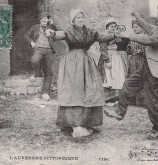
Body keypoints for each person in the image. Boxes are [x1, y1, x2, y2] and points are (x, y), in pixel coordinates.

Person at [104, 4, 158, 139]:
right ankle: (120, 112)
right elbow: (148, 28)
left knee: (152, 99)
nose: (157, 16)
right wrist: (137, 16)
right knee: (128, 84)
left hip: (155, 69)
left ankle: (157, 128)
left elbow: (151, 40)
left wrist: (128, 35)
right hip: (146, 65)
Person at [45, 9, 114, 137]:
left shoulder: (91, 32)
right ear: (73, 20)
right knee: (74, 91)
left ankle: (87, 122)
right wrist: (52, 33)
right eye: (78, 18)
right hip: (72, 63)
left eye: (82, 17)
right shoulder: (69, 31)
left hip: (87, 62)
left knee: (89, 90)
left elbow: (102, 37)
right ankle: (73, 123)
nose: (81, 19)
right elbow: (61, 34)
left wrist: (113, 35)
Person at [25, 12, 59, 101]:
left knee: (49, 71)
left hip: (49, 50)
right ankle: (36, 73)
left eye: (46, 18)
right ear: (39, 20)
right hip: (38, 49)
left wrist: (53, 24)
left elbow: (58, 33)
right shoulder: (35, 27)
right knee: (34, 60)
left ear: (48, 20)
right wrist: (31, 42)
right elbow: (26, 35)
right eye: (43, 18)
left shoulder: (51, 27)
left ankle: (45, 93)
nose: (45, 20)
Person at [102, 18, 128, 106]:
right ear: (107, 27)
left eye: (114, 26)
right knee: (107, 76)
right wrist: (107, 60)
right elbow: (103, 49)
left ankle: (114, 97)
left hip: (116, 57)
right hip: (108, 57)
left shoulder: (117, 36)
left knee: (116, 76)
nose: (113, 28)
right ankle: (106, 98)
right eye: (111, 26)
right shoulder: (104, 36)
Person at [126, 20, 147, 105]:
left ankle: (142, 101)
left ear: (141, 27)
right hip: (133, 60)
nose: (135, 29)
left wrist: (142, 51)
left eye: (136, 27)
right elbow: (129, 49)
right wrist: (129, 50)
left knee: (141, 79)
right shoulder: (132, 38)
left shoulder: (144, 37)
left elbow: (149, 51)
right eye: (133, 27)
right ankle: (132, 100)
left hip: (141, 60)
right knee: (132, 78)